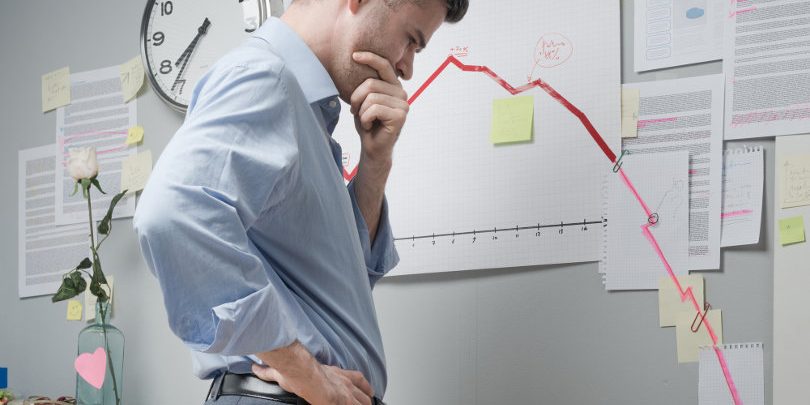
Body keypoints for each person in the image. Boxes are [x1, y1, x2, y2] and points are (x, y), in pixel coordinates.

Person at [133, 0, 468, 404]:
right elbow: (172, 215)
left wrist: (375, 162)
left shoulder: (303, 110)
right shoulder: (266, 77)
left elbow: (342, 284)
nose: (407, 68)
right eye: (411, 40)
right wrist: (307, 375)